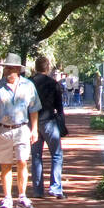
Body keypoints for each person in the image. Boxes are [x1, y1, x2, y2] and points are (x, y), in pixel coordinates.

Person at [0, 53, 41, 208]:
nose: (7, 71)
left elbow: (34, 109)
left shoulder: (28, 86)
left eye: (10, 68)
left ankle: (22, 196)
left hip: (22, 128)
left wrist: (34, 129)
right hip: (2, 129)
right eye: (5, 68)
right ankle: (7, 198)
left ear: (17, 69)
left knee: (22, 162)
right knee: (5, 165)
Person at [29, 55, 68, 199]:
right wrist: (62, 122)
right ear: (48, 67)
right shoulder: (53, 83)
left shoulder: (29, 83)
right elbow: (59, 106)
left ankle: (38, 190)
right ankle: (55, 188)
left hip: (32, 123)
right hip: (49, 121)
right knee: (56, 155)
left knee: (36, 156)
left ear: (35, 67)